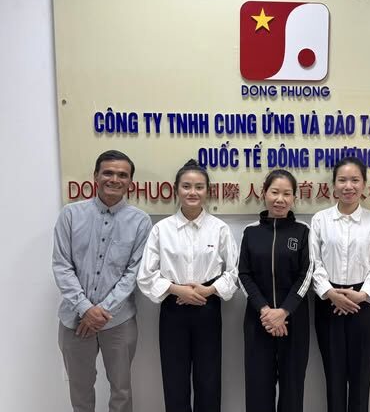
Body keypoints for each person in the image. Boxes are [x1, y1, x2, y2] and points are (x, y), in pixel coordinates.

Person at [52, 149, 152, 412]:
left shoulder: (140, 221)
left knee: (121, 391)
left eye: (122, 175)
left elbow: (133, 273)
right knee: (80, 389)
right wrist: (85, 309)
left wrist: (101, 311)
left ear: (130, 181)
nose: (115, 179)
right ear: (95, 176)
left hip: (119, 321)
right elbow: (62, 266)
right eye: (108, 172)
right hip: (74, 320)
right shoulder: (70, 215)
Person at [137, 160, 238, 412]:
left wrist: (209, 290)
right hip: (173, 307)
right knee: (174, 378)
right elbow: (146, 275)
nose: (193, 192)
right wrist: (176, 289)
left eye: (199, 187)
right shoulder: (161, 229)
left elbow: (235, 272)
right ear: (176, 189)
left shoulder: (219, 229)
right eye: (186, 186)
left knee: (209, 378)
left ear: (208, 191)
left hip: (208, 306)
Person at [310, 156, 370, 412]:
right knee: (334, 378)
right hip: (329, 304)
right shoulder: (320, 220)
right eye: (342, 180)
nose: (349, 186)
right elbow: (313, 263)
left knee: (361, 379)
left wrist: (363, 294)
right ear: (334, 185)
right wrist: (329, 293)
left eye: (355, 180)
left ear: (364, 184)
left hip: (364, 306)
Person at [238, 169, 312, 412]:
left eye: (287, 194)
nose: (280, 199)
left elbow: (306, 275)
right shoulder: (251, 232)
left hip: (294, 321)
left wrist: (284, 312)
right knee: (258, 389)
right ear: (264, 194)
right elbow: (243, 274)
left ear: (294, 198)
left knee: (292, 390)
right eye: (275, 192)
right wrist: (266, 311)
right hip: (258, 321)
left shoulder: (302, 231)